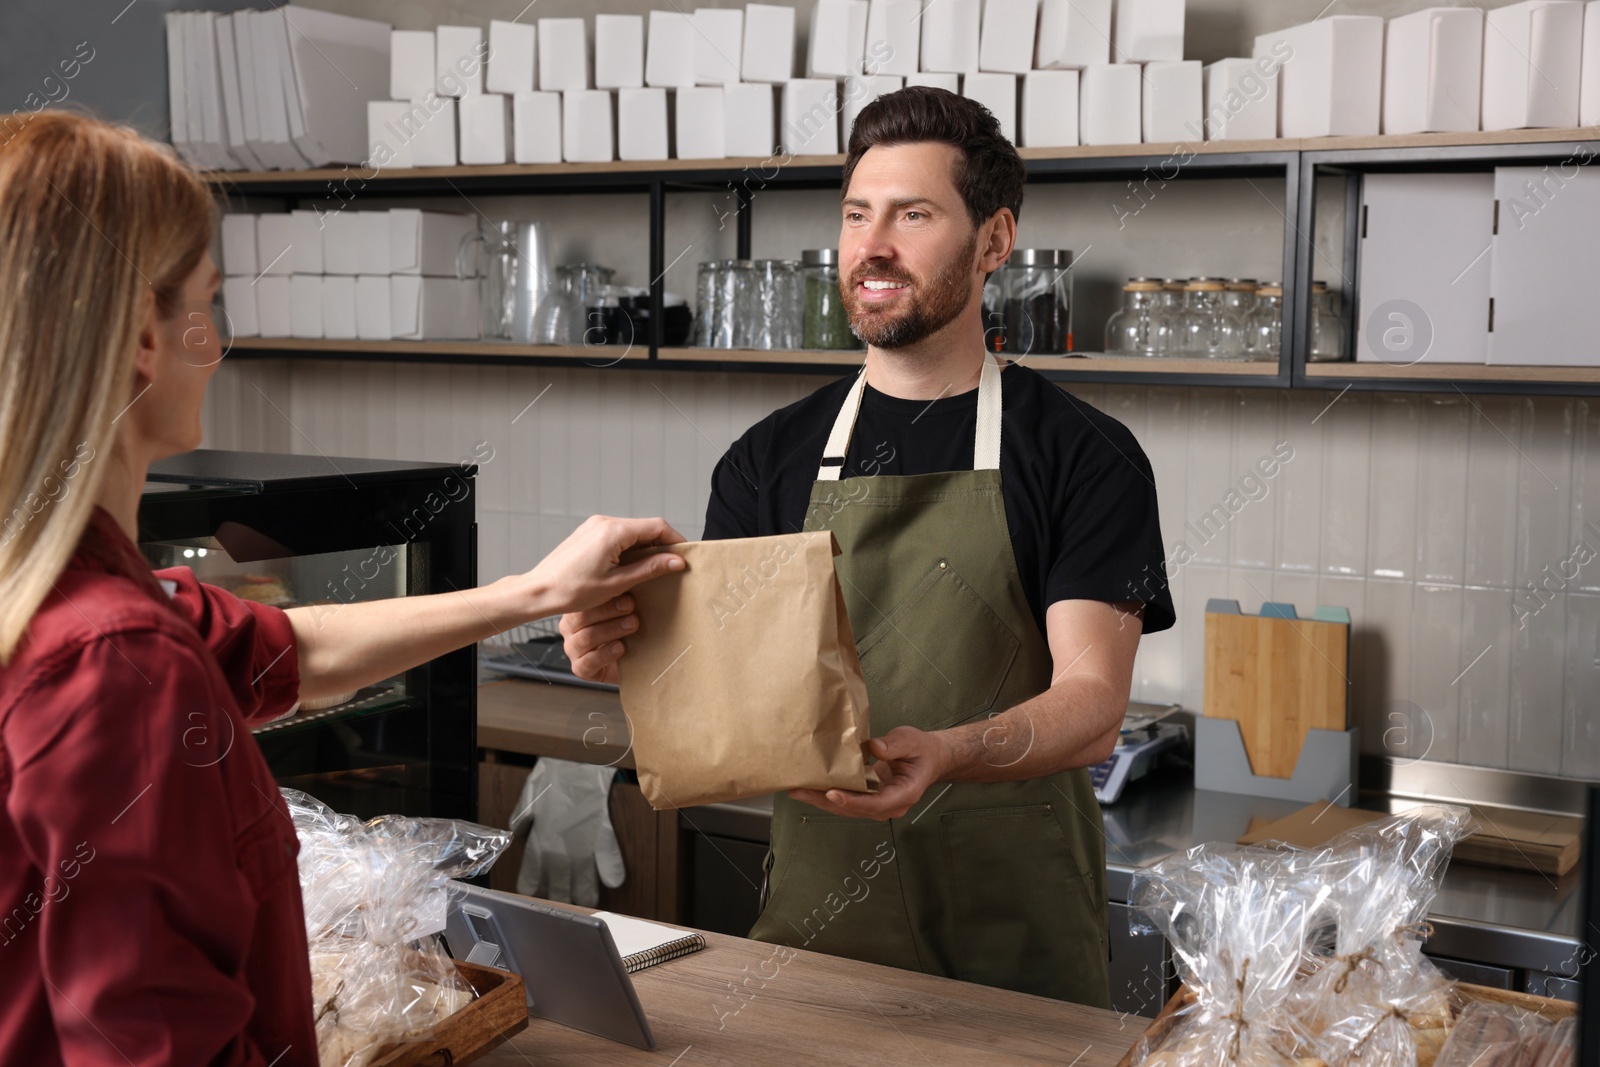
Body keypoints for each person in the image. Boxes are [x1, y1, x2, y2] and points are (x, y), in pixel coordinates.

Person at [0, 112, 686, 1066]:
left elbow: (297, 651)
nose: (220, 344)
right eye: (209, 302)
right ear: (139, 341)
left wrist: (535, 590)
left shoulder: (77, 596)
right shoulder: (118, 661)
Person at [562, 87, 1175, 1008]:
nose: (872, 246)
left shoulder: (1083, 455)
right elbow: (733, 685)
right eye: (857, 214)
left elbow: (1090, 705)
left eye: (913, 214)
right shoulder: (767, 461)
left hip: (1020, 963)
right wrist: (621, 652)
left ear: (995, 240)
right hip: (818, 953)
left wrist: (949, 751)